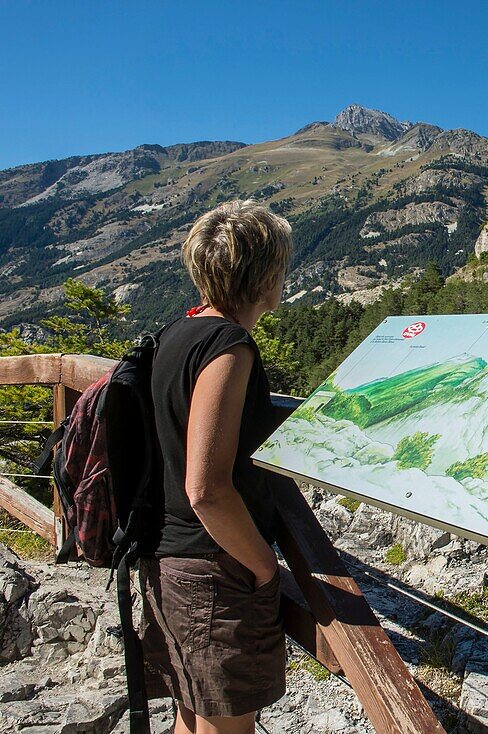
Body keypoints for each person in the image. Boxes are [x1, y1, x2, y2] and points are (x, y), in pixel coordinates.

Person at [140, 200, 292, 734]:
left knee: (192, 715)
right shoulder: (229, 346)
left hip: (168, 558)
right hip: (211, 568)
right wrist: (263, 567)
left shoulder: (175, 333)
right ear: (266, 274)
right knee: (226, 728)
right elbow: (205, 487)